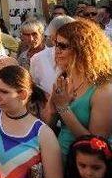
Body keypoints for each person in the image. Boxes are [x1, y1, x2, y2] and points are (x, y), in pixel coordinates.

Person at [43, 20, 112, 157]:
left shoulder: (103, 89)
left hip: (88, 171)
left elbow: (96, 144)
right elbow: (47, 125)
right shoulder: (63, 78)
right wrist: (52, 107)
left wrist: (63, 108)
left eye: (63, 46)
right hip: (60, 159)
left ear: (83, 50)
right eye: (55, 44)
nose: (56, 50)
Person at [32, 15, 75, 95]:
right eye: (57, 41)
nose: (59, 48)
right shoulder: (38, 59)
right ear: (52, 38)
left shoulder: (85, 60)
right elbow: (35, 91)